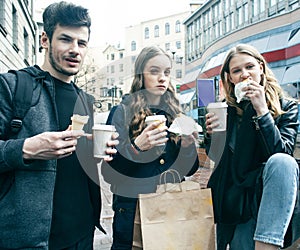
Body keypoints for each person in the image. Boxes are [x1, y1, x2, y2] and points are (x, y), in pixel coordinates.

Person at [0, 1, 118, 249]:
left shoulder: (85, 100)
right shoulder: (12, 86)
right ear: (45, 39)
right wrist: (26, 149)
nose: (75, 50)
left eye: (81, 43)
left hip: (83, 234)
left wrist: (102, 153)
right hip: (30, 240)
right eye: (65, 39)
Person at [101, 45, 199, 249]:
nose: (162, 78)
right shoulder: (122, 112)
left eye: (167, 72)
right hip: (132, 210)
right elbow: (109, 172)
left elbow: (189, 169)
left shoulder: (176, 114)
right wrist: (137, 147)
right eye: (154, 71)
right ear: (140, 76)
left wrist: (188, 147)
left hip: (171, 208)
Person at [204, 43, 299, 250]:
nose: (244, 75)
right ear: (229, 77)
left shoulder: (286, 107)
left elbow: (282, 155)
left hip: (266, 195)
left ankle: (267, 243)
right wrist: (212, 136)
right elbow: (216, 159)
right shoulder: (224, 110)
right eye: (237, 71)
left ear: (261, 69)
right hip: (234, 198)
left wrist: (262, 111)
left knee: (282, 161)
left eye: (250, 67)